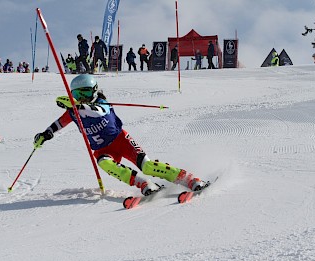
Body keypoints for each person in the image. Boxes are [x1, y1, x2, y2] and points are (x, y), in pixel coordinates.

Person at [33, 74, 208, 196]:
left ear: (94, 91)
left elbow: (98, 112)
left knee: (147, 166)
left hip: (121, 141)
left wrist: (77, 105)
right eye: (78, 94)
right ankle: (143, 183)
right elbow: (58, 124)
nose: (83, 98)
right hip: (102, 149)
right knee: (104, 163)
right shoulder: (73, 112)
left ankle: (189, 179)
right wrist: (45, 134)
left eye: (85, 93)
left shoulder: (102, 103)